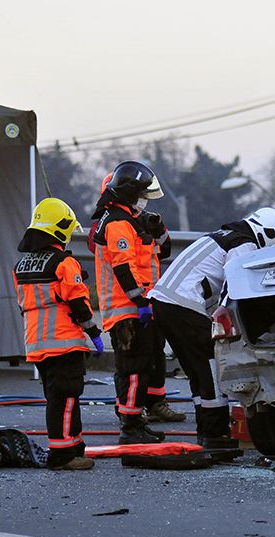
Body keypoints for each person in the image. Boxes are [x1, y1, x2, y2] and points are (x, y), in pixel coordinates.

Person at [148, 208, 275, 447]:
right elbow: (232, 285)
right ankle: (216, 435)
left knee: (197, 370)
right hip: (183, 305)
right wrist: (228, 320)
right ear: (268, 235)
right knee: (212, 366)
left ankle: (206, 431)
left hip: (164, 303)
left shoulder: (223, 234)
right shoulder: (244, 244)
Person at [91, 160, 182, 444]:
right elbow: (123, 267)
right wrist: (140, 300)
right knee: (132, 370)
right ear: (130, 193)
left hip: (139, 306)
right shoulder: (117, 223)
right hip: (127, 309)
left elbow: (162, 251)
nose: (144, 200)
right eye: (141, 194)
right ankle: (130, 427)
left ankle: (135, 419)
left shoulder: (130, 220)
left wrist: (157, 228)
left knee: (141, 367)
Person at [13, 198, 103, 470]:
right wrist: (94, 332)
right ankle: (62, 455)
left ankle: (74, 447)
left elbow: (23, 305)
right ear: (60, 230)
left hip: (37, 344)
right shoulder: (64, 263)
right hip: (64, 342)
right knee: (66, 398)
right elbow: (78, 303)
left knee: (59, 398)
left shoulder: (22, 266)